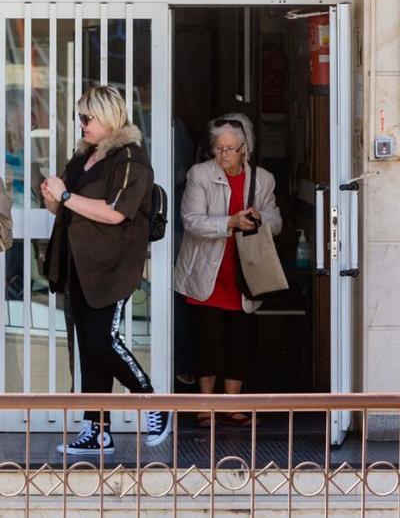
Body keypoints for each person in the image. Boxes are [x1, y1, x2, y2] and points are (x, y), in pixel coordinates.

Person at [42, 85, 171, 455]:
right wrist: (55, 197)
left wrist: (67, 196)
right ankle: (97, 429)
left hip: (110, 264)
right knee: (90, 346)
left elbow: (116, 211)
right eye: (79, 117)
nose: (81, 124)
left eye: (87, 118)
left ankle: (150, 400)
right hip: (79, 263)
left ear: (108, 118)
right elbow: (65, 210)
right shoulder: (85, 157)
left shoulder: (130, 159)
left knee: (103, 340)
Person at [174, 114, 282, 427]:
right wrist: (230, 222)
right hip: (207, 270)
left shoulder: (263, 179)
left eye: (230, 149)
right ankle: (206, 405)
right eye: (219, 148)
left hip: (245, 269)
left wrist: (259, 219)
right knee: (208, 340)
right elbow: (191, 220)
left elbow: (276, 220)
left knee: (239, 339)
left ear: (244, 150)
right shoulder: (200, 175)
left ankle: (232, 405)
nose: (223, 155)